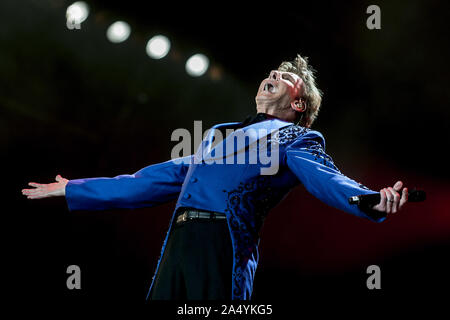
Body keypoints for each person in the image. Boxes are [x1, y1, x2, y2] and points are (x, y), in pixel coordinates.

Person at [21, 54, 408, 300]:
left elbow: (328, 179)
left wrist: (371, 199)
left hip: (221, 244)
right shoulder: (215, 139)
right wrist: (73, 187)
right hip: (179, 243)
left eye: (287, 77)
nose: (273, 72)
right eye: (274, 70)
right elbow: (146, 180)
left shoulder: (296, 137)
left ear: (298, 103)